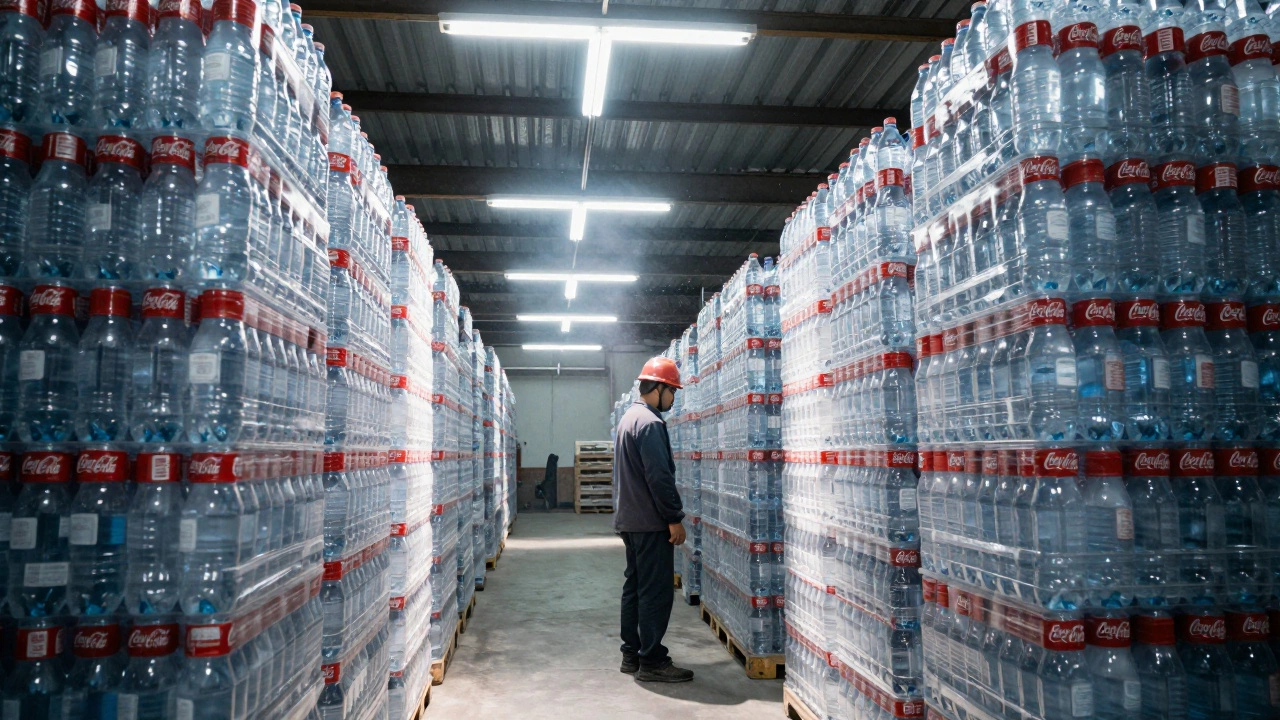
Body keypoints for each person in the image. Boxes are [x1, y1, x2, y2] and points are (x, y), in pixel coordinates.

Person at [613, 356, 692, 683]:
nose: (673, 399)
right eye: (672, 391)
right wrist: (674, 517)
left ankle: (631, 653)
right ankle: (652, 661)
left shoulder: (628, 418)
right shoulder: (650, 423)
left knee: (634, 586)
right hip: (650, 522)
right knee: (655, 592)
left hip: (630, 520)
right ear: (657, 388)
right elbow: (659, 478)